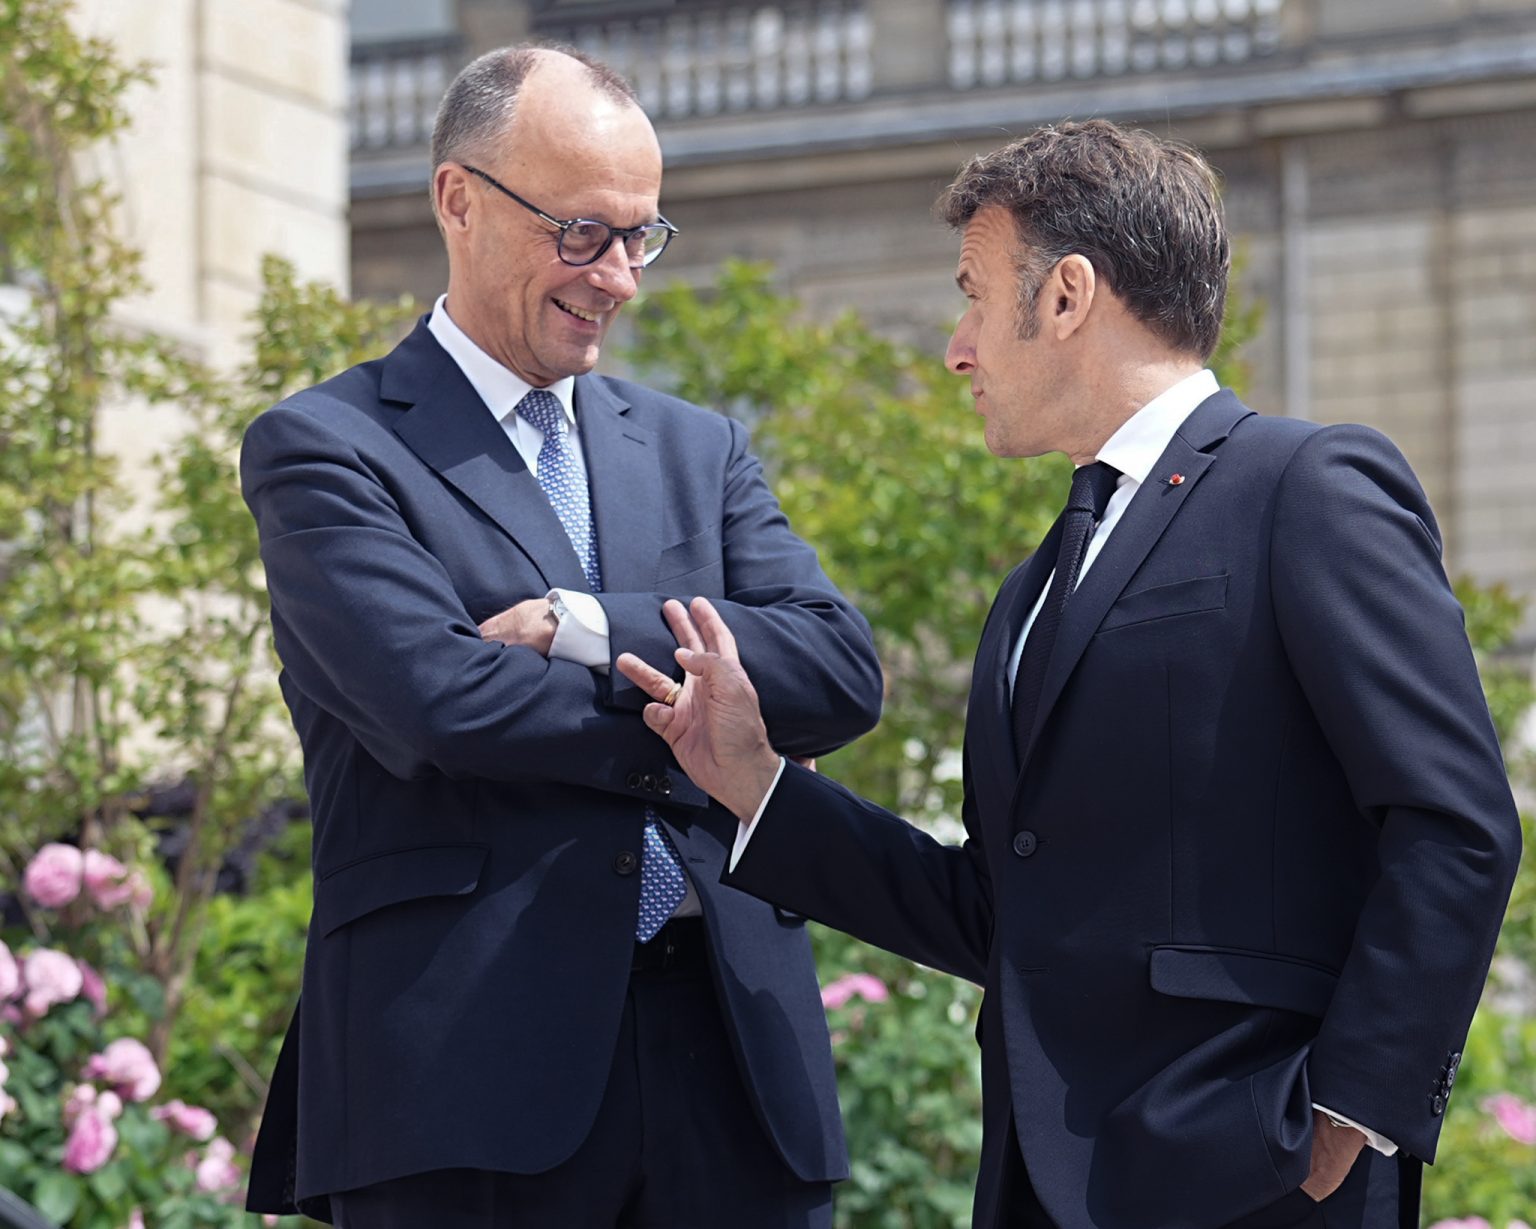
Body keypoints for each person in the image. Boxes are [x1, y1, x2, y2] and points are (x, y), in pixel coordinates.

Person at [617, 120, 1522, 1229]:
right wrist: (756, 781)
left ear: (1067, 297)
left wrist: (1344, 1111)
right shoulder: (1031, 589)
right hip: (1042, 1186)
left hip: (1261, 1172)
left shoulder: (1309, 486)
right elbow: (1000, 905)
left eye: (973, 295)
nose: (957, 347)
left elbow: (1455, 818)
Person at [240, 45, 883, 1229]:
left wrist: (586, 628)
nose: (623, 277)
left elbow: (839, 669)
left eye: (643, 235)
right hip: (467, 1083)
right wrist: (708, 718)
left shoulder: (700, 448)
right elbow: (441, 701)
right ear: (459, 199)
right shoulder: (327, 447)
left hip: (738, 1068)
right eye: (584, 232)